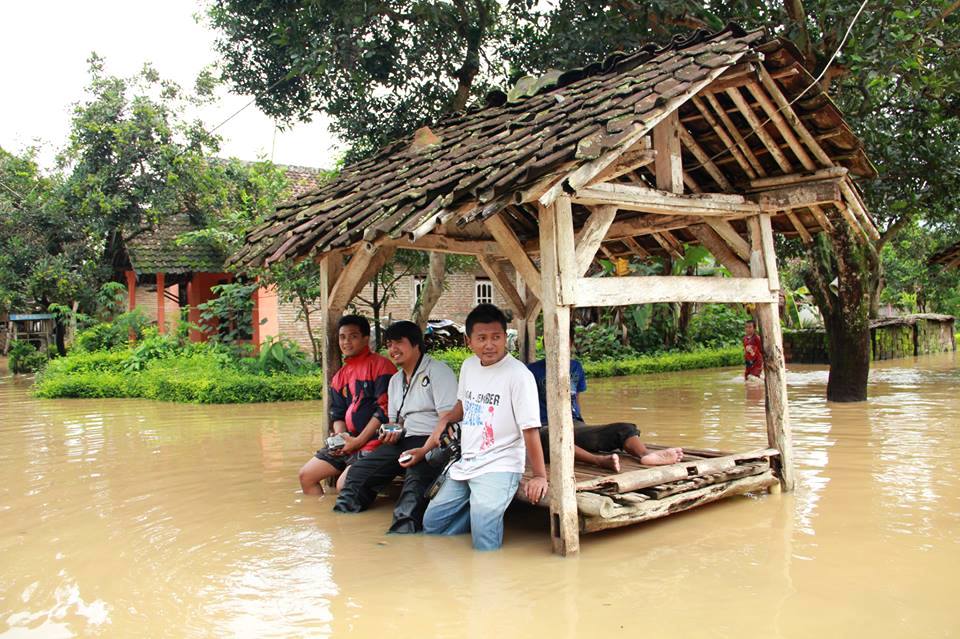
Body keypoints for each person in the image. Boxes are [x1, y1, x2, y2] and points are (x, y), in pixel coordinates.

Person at [418, 304, 548, 551]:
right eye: (482, 338)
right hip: (467, 461)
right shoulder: (469, 366)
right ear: (469, 341)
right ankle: (480, 510)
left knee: (484, 542)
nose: (490, 345)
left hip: (501, 464)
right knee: (433, 525)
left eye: (496, 337)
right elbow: (463, 404)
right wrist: (446, 419)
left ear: (505, 337)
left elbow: (530, 429)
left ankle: (485, 525)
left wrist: (539, 475)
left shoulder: (518, 375)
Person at [333, 321, 458, 533]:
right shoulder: (395, 381)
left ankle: (401, 538)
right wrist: (388, 432)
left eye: (399, 342)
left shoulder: (438, 371)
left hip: (432, 441)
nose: (393, 350)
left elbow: (446, 422)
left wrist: (423, 451)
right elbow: (395, 422)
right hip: (404, 440)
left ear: (416, 344)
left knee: (414, 483)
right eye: (389, 344)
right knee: (358, 474)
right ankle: (341, 529)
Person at [528, 331, 682, 470]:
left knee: (624, 428)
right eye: (552, 340)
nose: (558, 345)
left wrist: (582, 424)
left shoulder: (575, 367)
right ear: (545, 344)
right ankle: (598, 461)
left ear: (570, 344)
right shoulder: (531, 370)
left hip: (574, 425)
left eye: (563, 341)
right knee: (551, 436)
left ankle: (647, 454)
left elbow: (576, 400)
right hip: (545, 426)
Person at [298, 315, 396, 495]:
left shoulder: (382, 366)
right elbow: (337, 413)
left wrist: (358, 441)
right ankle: (324, 520)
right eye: (342, 337)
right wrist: (342, 438)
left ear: (366, 339)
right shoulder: (340, 376)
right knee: (306, 476)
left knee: (344, 486)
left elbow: (384, 411)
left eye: (353, 336)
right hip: (349, 441)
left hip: (375, 442)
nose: (346, 342)